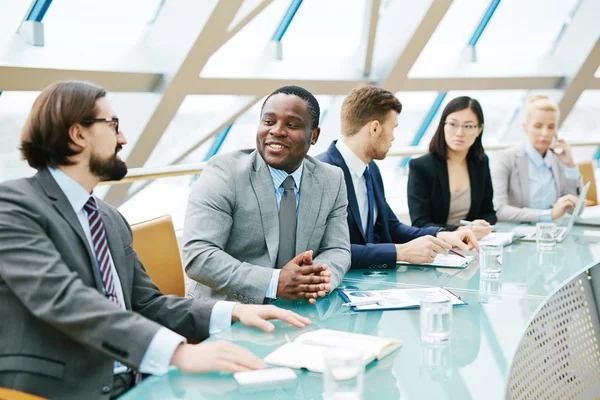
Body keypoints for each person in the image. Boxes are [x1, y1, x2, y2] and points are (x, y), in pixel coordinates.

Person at [0, 81, 312, 400]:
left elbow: (148, 305)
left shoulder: (109, 218)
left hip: (137, 379)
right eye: (113, 125)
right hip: (60, 388)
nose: (122, 138)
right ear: (78, 134)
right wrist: (179, 353)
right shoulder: (13, 205)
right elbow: (62, 298)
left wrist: (233, 311)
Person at [183, 86, 351, 305]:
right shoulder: (223, 173)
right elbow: (199, 255)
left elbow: (337, 248)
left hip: (300, 310)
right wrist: (274, 282)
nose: (277, 131)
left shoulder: (331, 179)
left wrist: (317, 281)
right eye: (269, 122)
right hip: (227, 312)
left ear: (314, 136)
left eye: (292, 125)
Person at [316, 86, 479, 270]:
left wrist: (442, 235)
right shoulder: (321, 174)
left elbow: (391, 226)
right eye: (393, 128)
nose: (393, 138)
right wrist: (400, 252)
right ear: (375, 128)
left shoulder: (370, 169)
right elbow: (324, 250)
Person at [407, 96, 496, 239]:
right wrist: (458, 230)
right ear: (443, 125)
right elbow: (420, 223)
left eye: (468, 126)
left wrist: (481, 225)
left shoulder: (480, 162)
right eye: (453, 124)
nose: (459, 133)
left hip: (473, 242)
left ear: (479, 129)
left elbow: (489, 212)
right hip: (437, 245)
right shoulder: (421, 167)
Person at [491, 95, 582, 222]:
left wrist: (570, 165)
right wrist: (549, 214)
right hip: (519, 233)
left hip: (552, 232)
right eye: (538, 126)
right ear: (525, 127)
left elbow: (577, 210)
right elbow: (499, 210)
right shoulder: (505, 159)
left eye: (551, 127)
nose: (545, 133)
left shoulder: (558, 160)